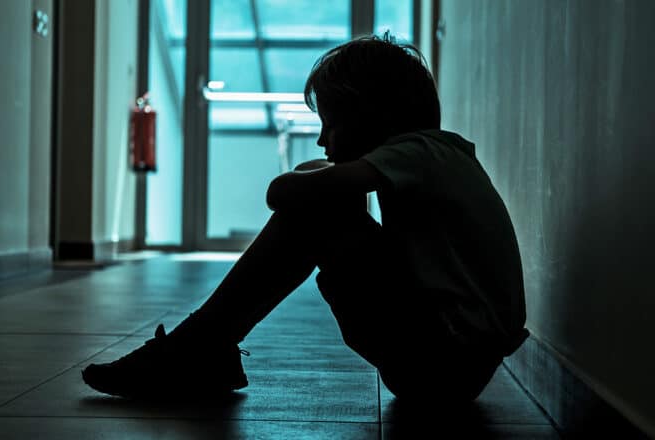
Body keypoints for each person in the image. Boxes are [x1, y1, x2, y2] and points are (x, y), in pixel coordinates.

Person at [82, 33, 529, 402]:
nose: (320, 139)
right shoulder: (436, 154)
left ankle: (195, 348)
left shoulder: (419, 152)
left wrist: (313, 180)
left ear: (372, 116)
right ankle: (201, 347)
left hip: (441, 360)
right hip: (453, 368)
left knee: (317, 211)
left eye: (330, 124)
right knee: (326, 205)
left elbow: (284, 193)